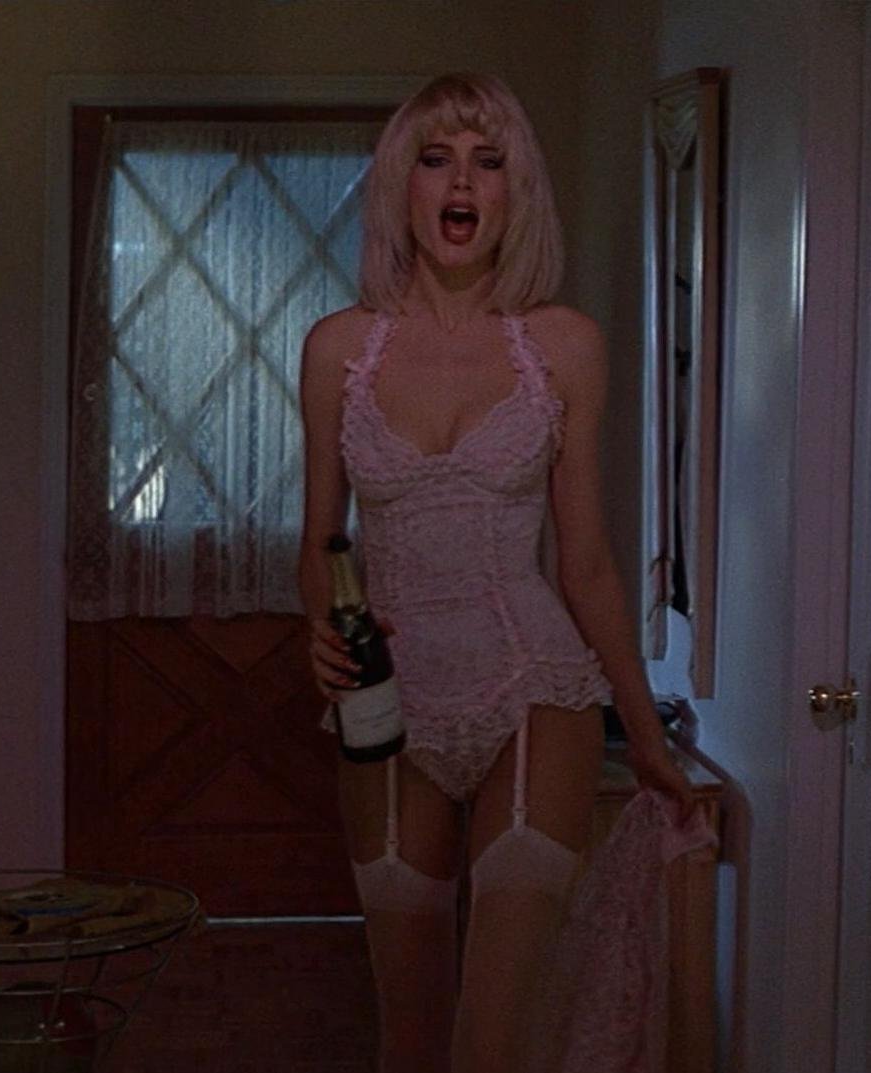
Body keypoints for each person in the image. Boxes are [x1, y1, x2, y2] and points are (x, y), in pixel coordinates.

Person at [296, 71, 696, 1073]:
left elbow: (587, 562)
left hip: (534, 692)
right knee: (410, 1037)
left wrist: (647, 737)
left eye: (488, 161)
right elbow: (319, 542)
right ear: (402, 185)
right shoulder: (337, 350)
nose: (461, 183)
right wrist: (320, 631)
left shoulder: (562, 346)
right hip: (388, 710)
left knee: (493, 1043)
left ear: (517, 191)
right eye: (435, 160)